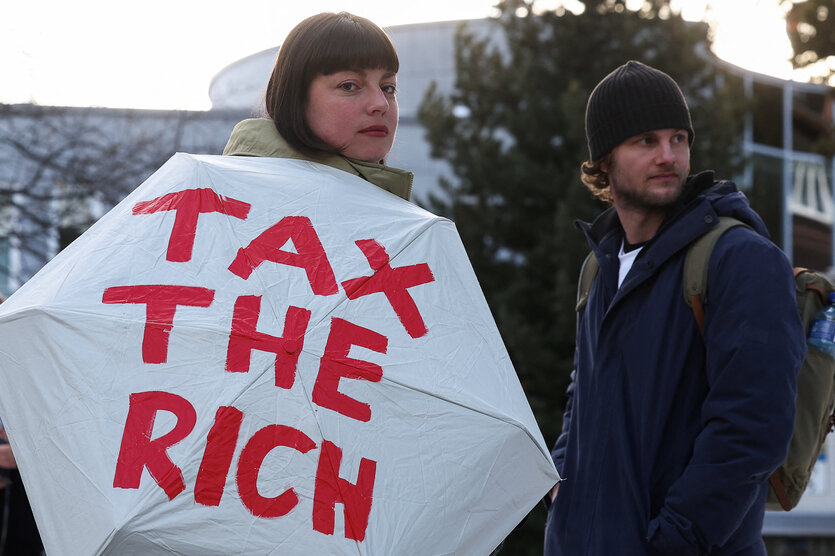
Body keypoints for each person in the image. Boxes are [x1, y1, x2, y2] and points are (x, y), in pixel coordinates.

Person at [544, 61, 805, 555]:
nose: (668, 155)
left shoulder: (740, 259)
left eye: (678, 139)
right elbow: (582, 399)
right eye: (646, 140)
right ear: (603, 160)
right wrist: (563, 489)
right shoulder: (599, 268)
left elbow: (752, 428)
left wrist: (675, 540)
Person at [222, 11, 413, 202]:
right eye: (349, 86)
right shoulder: (224, 198)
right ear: (296, 95)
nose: (380, 104)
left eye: (388, 88)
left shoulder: (407, 221)